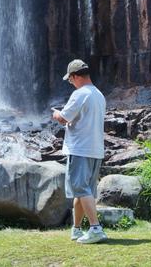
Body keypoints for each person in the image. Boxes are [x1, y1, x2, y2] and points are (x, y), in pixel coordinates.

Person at [52, 59, 107, 244]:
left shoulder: (79, 94)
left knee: (80, 188)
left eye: (70, 79)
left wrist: (56, 114)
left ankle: (95, 228)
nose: (71, 83)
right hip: (95, 149)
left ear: (75, 76)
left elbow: (63, 118)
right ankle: (76, 229)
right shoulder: (99, 94)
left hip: (80, 148)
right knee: (83, 190)